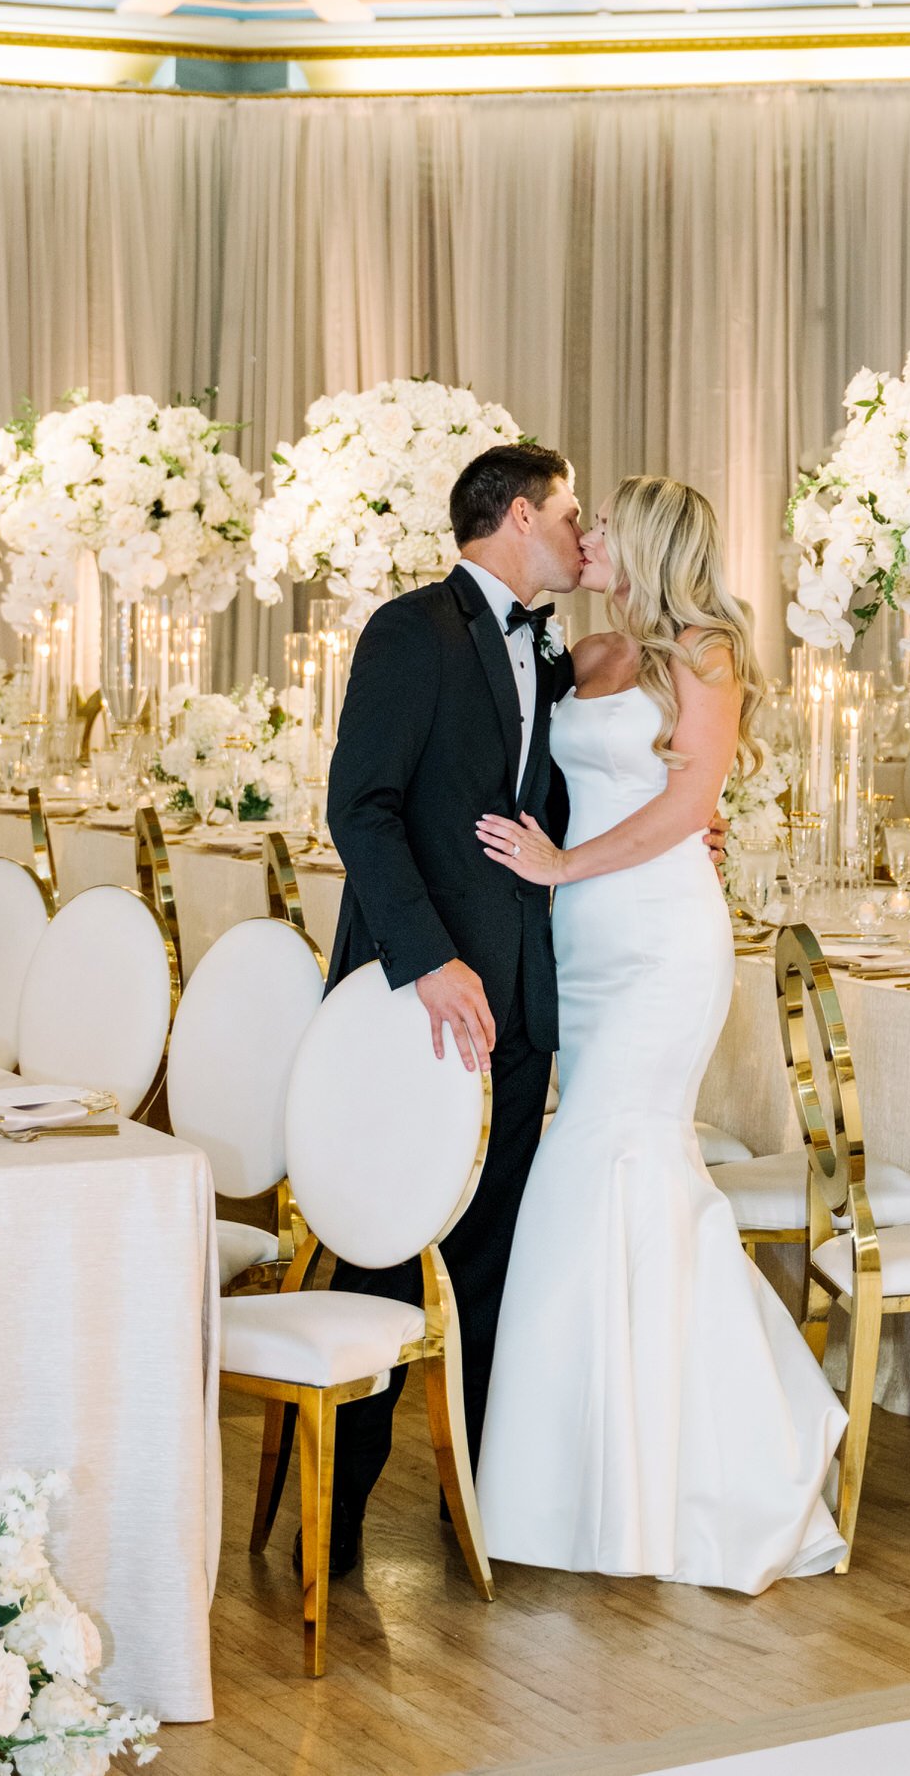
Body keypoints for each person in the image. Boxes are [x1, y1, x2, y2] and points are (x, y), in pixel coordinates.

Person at [473, 475, 846, 1592]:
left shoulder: (705, 654)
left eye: (601, 527)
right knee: (609, 1184)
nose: (584, 538)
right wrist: (552, 867)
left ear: (643, 543)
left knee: (603, 1167)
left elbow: (687, 808)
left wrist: (563, 865)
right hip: (583, 948)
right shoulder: (587, 655)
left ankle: (659, 1486)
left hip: (663, 944)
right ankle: (596, 1481)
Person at [319, 443, 583, 1576]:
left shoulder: (546, 648)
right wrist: (426, 961)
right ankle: (334, 1518)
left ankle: (473, 1503)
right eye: (569, 514)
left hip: (519, 994)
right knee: (388, 1247)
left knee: (488, 1257)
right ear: (518, 515)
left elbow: (542, 799)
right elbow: (361, 808)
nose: (581, 537)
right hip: (418, 1006)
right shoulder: (410, 630)